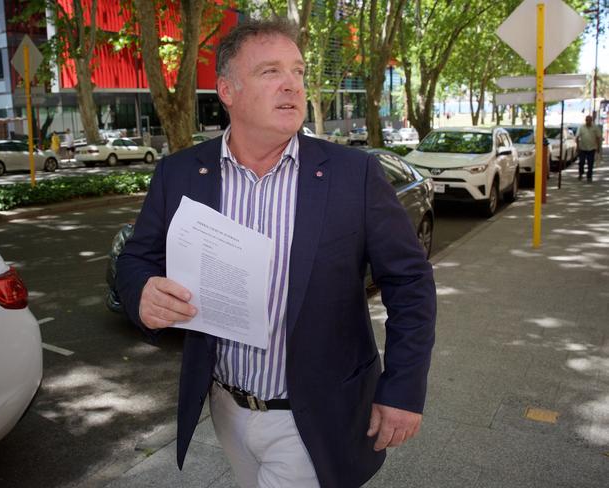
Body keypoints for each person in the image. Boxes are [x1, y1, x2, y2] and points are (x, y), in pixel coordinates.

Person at [116, 18, 436, 488]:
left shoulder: (354, 176)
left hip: (314, 415)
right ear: (227, 90)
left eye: (299, 72)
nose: (291, 85)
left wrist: (404, 388)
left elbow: (410, 284)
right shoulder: (180, 174)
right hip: (225, 407)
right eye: (270, 72)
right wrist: (141, 293)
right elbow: (135, 259)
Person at [576, 115, 602, 182]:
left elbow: (598, 137)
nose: (588, 121)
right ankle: (581, 173)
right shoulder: (581, 127)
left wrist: (599, 147)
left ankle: (589, 177)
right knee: (581, 162)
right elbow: (577, 137)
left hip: (592, 148)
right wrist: (577, 146)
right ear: (585, 120)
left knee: (590, 163)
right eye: (587, 120)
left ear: (592, 121)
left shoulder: (595, 127)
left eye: (589, 120)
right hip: (582, 148)